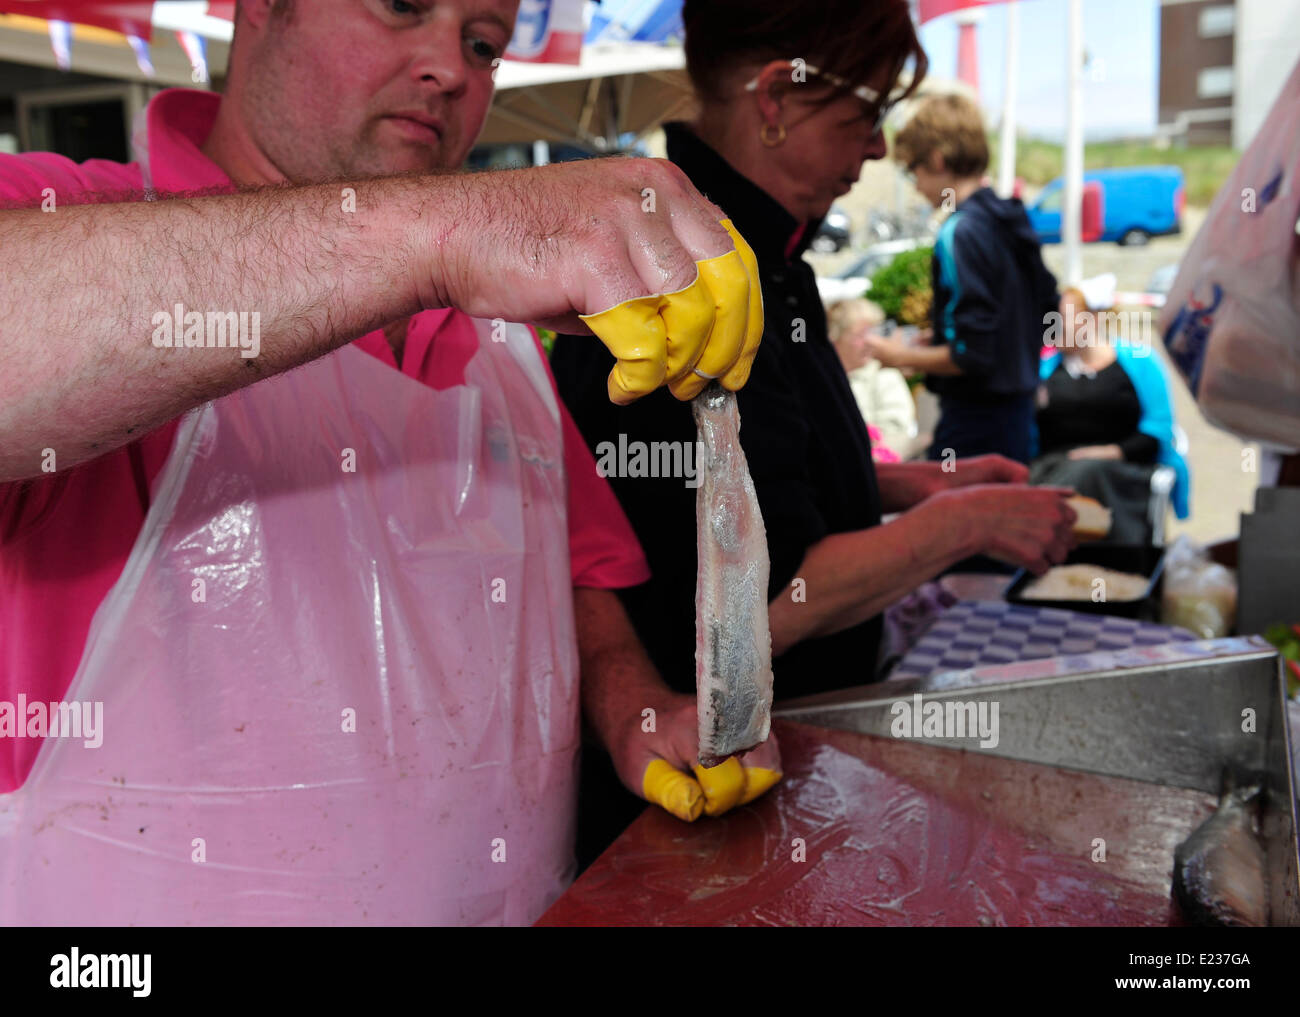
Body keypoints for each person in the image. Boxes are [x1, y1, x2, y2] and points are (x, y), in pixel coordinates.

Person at [0, 0, 779, 925]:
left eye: (482, 43)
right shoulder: (71, 219)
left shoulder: (508, 340)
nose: (451, 67)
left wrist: (632, 707)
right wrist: (438, 232)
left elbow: (570, 579)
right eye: (403, 6)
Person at [551, 0, 1078, 862]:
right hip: (706, 781)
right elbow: (761, 599)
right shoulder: (681, 273)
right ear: (775, 99)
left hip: (792, 750)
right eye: (867, 111)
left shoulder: (765, 258)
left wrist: (916, 485)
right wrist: (965, 523)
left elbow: (769, 483)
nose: (877, 147)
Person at [867, 93, 1059, 465]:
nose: (916, 185)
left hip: (975, 422)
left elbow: (973, 355)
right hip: (1018, 416)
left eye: (915, 170)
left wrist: (901, 355)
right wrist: (941, 336)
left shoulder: (959, 232)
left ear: (938, 160)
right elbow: (1044, 305)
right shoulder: (1009, 218)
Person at [1033, 278, 1191, 542]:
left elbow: (1158, 431)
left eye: (1061, 319)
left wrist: (1107, 452)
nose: (1051, 328)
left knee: (1086, 473)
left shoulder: (1140, 363)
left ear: (1092, 320)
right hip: (1053, 469)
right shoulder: (1045, 370)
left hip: (1121, 472)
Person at [826, 297, 917, 461]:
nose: (871, 341)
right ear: (835, 337)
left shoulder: (884, 374)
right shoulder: (825, 379)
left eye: (874, 332)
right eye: (861, 334)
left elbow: (895, 432)